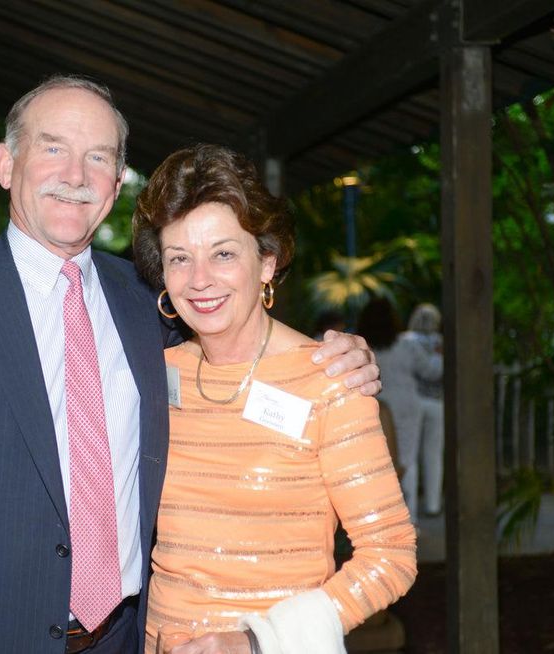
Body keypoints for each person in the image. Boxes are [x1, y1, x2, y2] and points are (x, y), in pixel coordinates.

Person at [0, 75, 380, 654]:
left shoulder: (150, 301)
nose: (75, 175)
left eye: (97, 157)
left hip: (128, 637)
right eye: (53, 148)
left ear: (117, 183)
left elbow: (242, 340)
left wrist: (340, 356)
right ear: (5, 165)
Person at [131, 144, 415, 654]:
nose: (199, 280)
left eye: (223, 253)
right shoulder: (155, 374)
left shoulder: (330, 380)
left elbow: (391, 555)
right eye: (180, 258)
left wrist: (257, 642)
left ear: (266, 261)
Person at [357, 297, 442, 523]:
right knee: (407, 461)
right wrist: (440, 354)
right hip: (406, 406)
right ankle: (410, 520)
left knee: (377, 462)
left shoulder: (361, 346)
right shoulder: (406, 345)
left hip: (375, 404)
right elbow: (431, 371)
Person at [405, 303, 444, 516]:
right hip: (436, 402)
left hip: (414, 401)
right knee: (433, 454)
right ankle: (433, 504)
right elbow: (437, 372)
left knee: (410, 454)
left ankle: (411, 509)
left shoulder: (407, 341)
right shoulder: (440, 342)